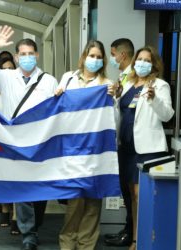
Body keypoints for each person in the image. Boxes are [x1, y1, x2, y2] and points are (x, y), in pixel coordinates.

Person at [0, 25, 58, 250]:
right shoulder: (6, 77)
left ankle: (35, 224)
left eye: (31, 54)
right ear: (16, 56)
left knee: (40, 188)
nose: (27, 58)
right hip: (17, 141)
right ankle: (28, 234)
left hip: (41, 140)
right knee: (23, 188)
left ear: (37, 55)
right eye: (22, 54)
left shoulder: (49, 80)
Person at [111, 46, 174, 250]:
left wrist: (154, 98)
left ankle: (142, 240)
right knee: (130, 196)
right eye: (140, 59)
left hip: (147, 149)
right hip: (126, 147)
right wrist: (116, 96)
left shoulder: (160, 85)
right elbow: (119, 111)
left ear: (154, 64)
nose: (142, 63)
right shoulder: (127, 83)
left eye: (147, 60)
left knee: (141, 196)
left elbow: (167, 115)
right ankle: (134, 235)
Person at [55, 40, 114, 250]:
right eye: (92, 55)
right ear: (84, 57)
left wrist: (112, 99)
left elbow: (112, 118)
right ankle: (68, 241)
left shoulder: (107, 83)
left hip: (96, 148)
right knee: (75, 198)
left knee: (93, 198)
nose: (95, 60)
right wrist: (57, 95)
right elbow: (58, 109)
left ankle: (86, 244)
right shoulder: (68, 78)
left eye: (99, 57)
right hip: (72, 147)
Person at [104, 38, 135, 247]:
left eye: (113, 54)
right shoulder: (122, 78)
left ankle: (132, 232)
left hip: (134, 143)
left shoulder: (136, 78)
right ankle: (127, 228)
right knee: (125, 188)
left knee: (133, 191)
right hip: (122, 141)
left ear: (122, 54)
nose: (113, 59)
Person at [0, 50, 21, 235]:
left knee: (16, 178)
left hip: (16, 138)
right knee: (3, 178)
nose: (8, 73)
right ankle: (5, 210)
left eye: (11, 69)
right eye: (4, 70)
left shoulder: (19, 89)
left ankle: (16, 215)